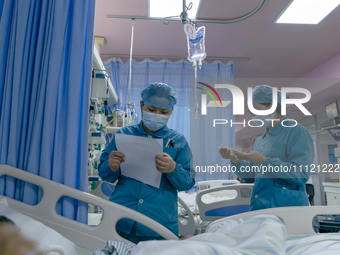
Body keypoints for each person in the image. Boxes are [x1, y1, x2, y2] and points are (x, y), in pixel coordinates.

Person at [98, 82, 195, 244]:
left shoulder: (178, 141)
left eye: (163, 112)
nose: (157, 115)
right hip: (122, 217)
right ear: (142, 105)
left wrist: (172, 169)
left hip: (158, 221)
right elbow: (105, 174)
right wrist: (111, 165)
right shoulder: (123, 135)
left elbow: (188, 182)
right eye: (151, 110)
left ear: (171, 111)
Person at [219, 85, 314, 211]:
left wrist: (264, 160)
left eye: (257, 109)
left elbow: (300, 174)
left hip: (287, 206)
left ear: (272, 106)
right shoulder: (260, 140)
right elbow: (250, 175)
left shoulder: (296, 132)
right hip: (260, 205)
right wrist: (235, 159)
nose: (253, 116)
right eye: (252, 112)